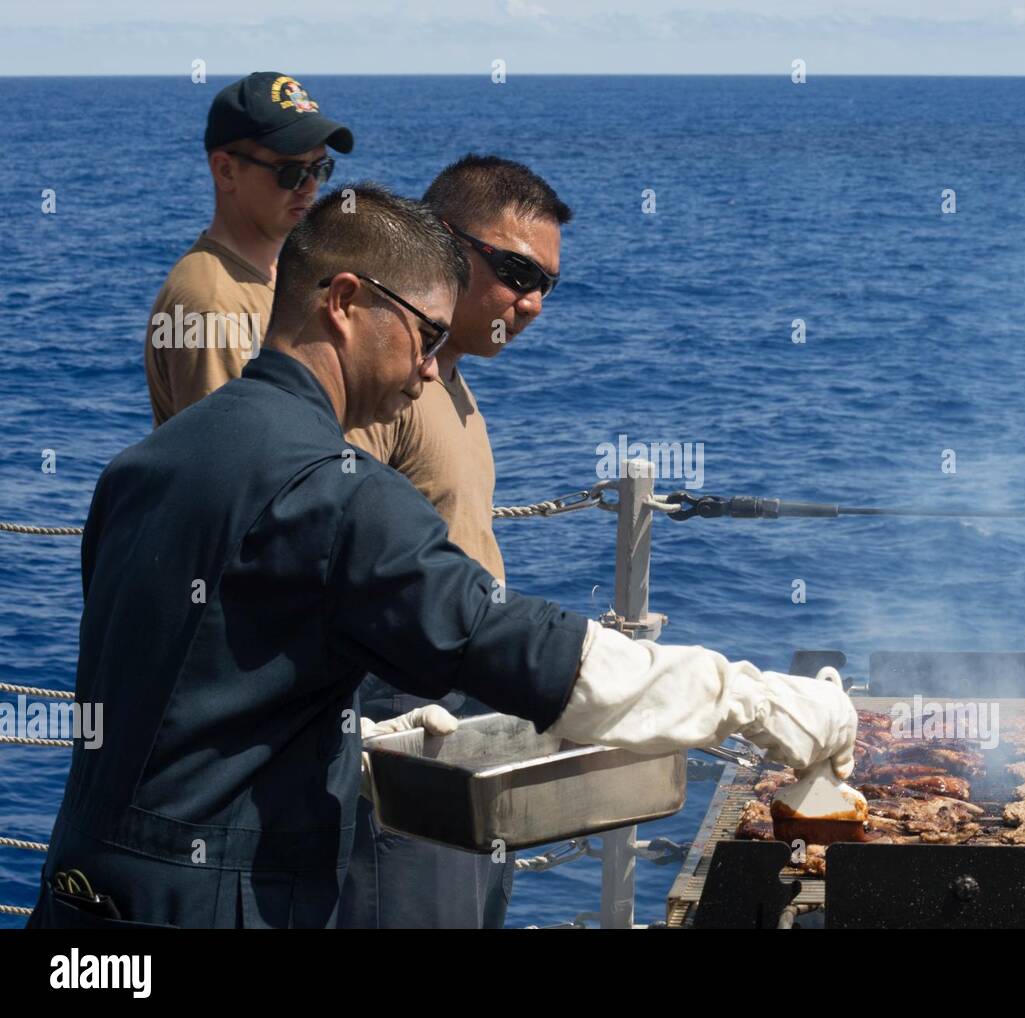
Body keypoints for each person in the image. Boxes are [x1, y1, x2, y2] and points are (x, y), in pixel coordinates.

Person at [27, 186, 855, 929]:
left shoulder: (146, 466)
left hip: (82, 901)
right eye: (425, 335)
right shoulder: (341, 492)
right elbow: (526, 651)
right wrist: (748, 699)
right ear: (347, 302)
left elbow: (202, 689)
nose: (430, 369)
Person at [341, 155, 569, 929]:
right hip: (399, 718)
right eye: (514, 271)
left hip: (461, 704)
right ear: (443, 242)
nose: (532, 303)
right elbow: (330, 553)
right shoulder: (389, 386)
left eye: (547, 285)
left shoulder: (450, 381)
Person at [144, 71, 351, 426]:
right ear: (225, 171)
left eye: (320, 168)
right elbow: (227, 462)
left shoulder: (282, 275)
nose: (310, 187)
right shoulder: (212, 305)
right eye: (291, 172)